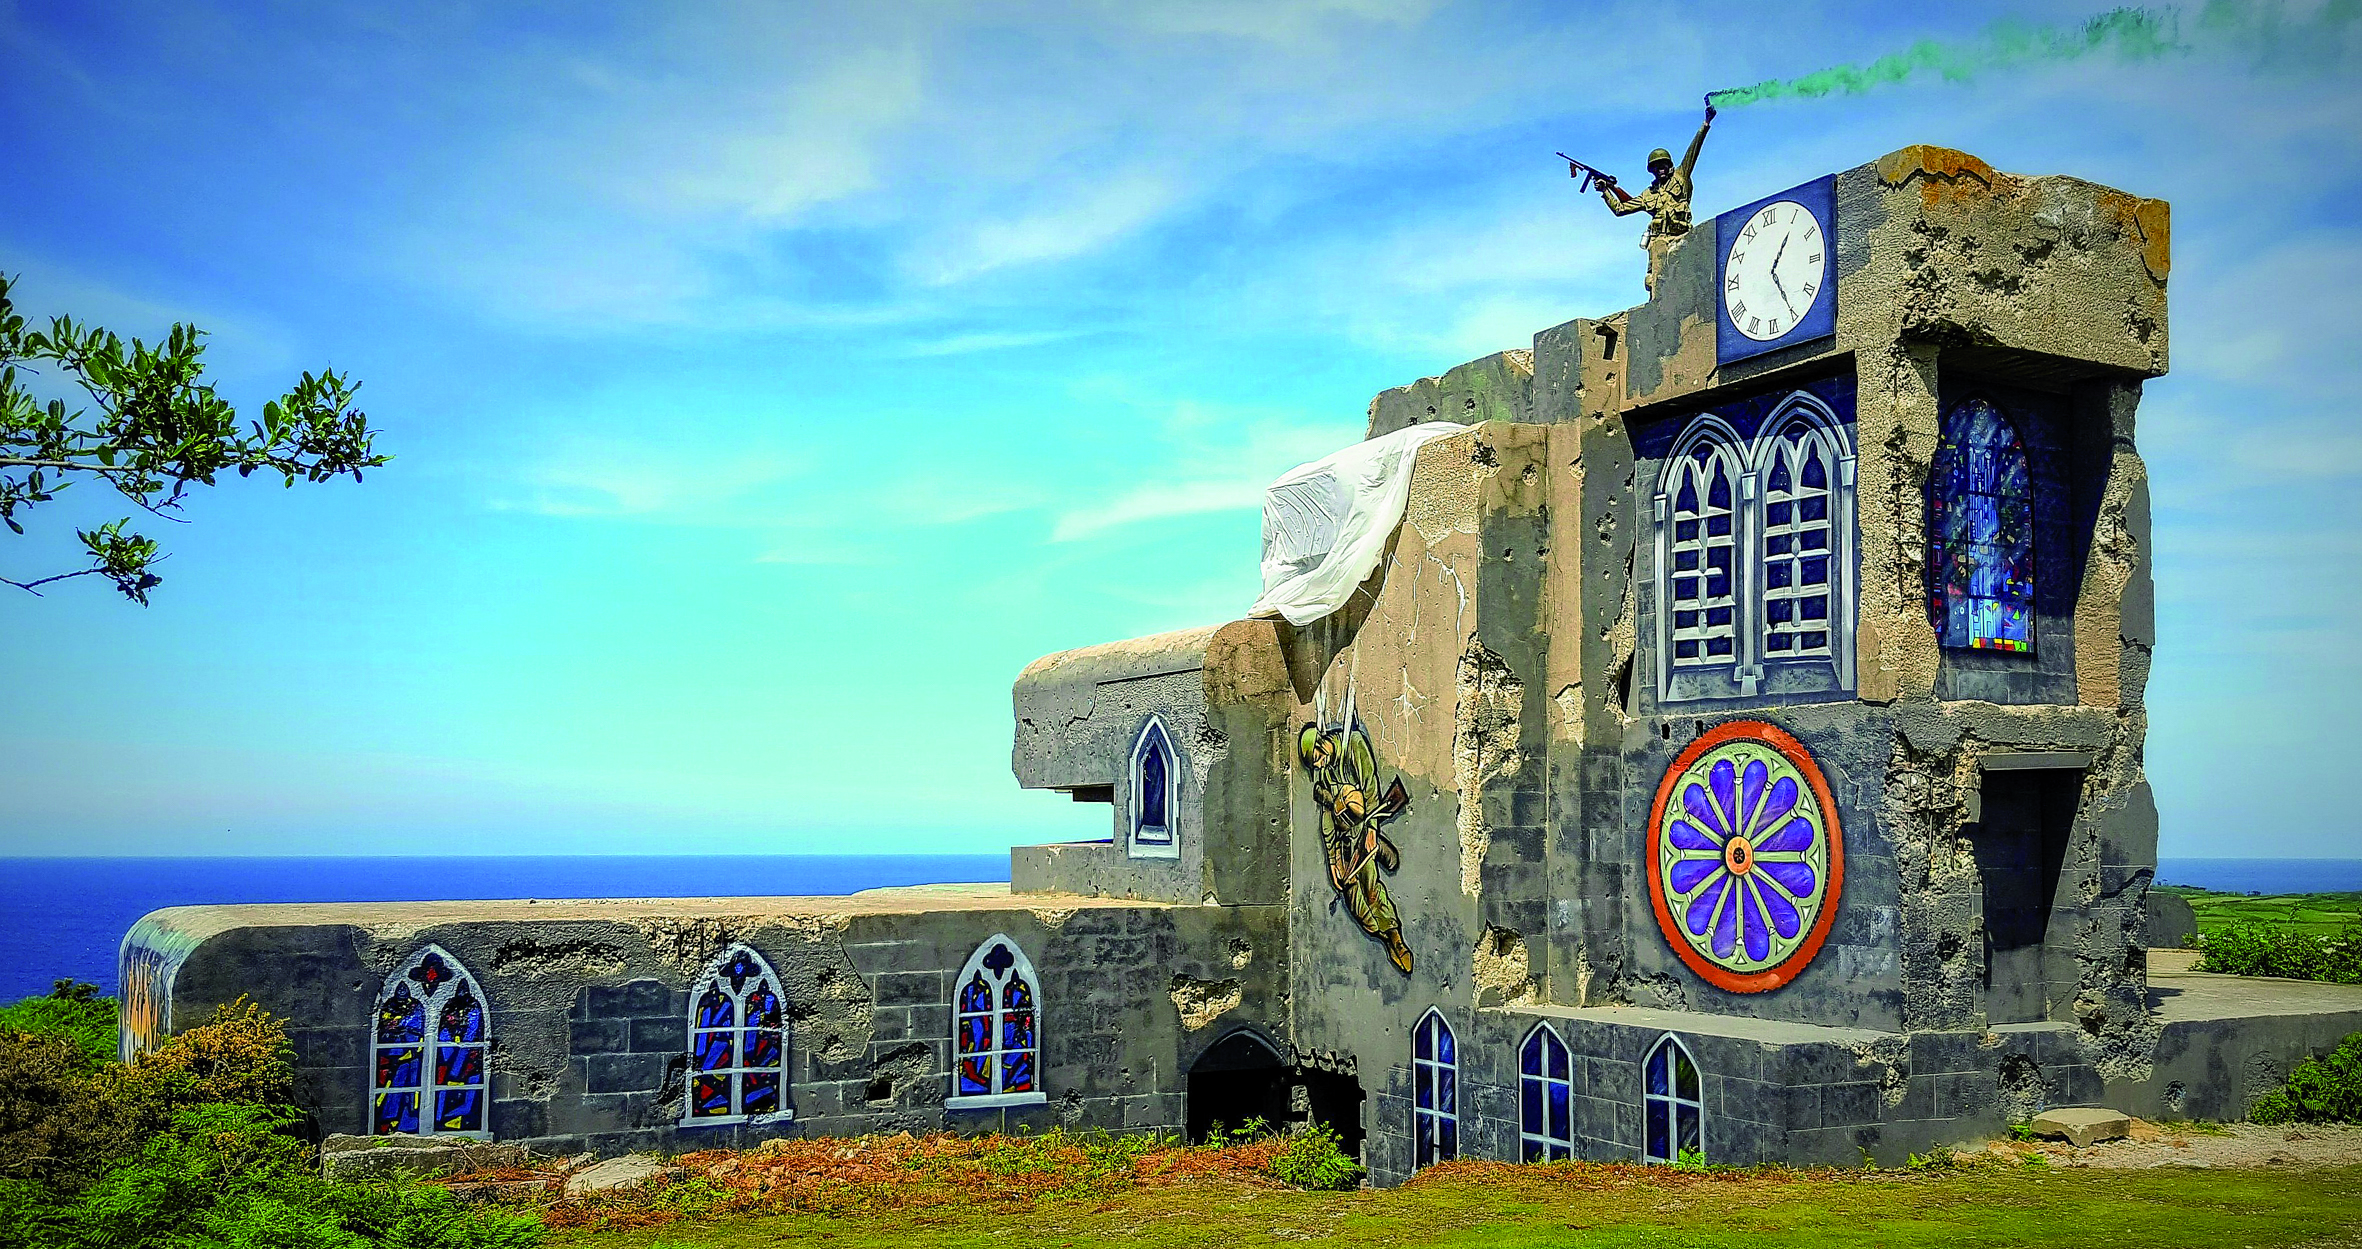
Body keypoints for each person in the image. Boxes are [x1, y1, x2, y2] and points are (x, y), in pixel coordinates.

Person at [1589, 103, 1715, 293]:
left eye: (1663, 165)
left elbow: (1693, 151)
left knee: (1691, 279)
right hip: (1659, 243)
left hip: (1682, 237)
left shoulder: (1681, 176)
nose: (1660, 168)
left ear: (1670, 165)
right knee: (1656, 283)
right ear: (1652, 170)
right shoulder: (1648, 194)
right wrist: (1605, 190)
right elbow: (1620, 209)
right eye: (1656, 166)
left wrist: (1705, 124)